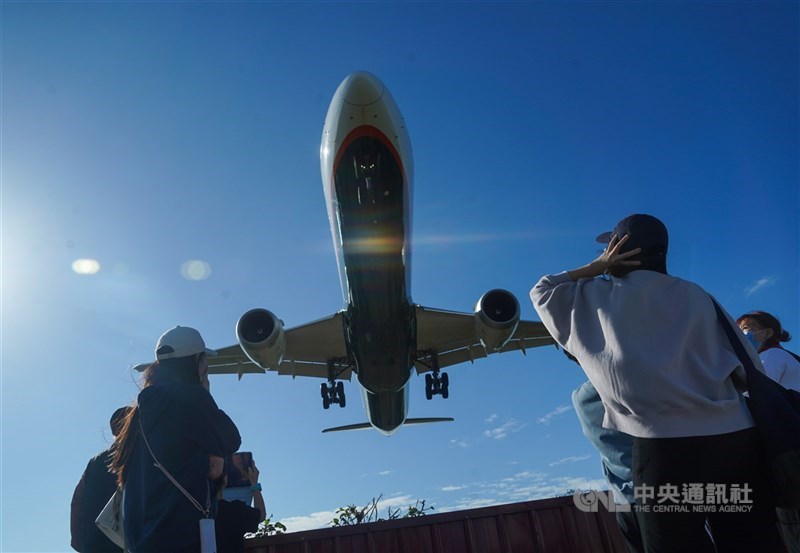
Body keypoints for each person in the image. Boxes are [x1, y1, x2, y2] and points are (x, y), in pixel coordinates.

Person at [530, 213, 782, 553]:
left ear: (618, 249)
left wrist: (596, 266)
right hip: (735, 441)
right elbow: (749, 369)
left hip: (663, 448)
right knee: (753, 543)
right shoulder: (696, 294)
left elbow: (542, 290)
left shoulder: (595, 295)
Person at [111, 326, 241, 553]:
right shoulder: (190, 398)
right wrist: (205, 391)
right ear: (198, 362)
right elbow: (231, 439)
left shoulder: (139, 412)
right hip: (179, 538)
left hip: (140, 542)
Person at [737, 311, 800, 553]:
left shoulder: (770, 358)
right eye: (741, 328)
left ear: (769, 332)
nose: (745, 333)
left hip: (789, 454)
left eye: (750, 327)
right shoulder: (789, 356)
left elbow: (752, 397)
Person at [70, 406, 132, 553]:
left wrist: (80, 543)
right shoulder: (137, 451)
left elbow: (77, 503)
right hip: (125, 542)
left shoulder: (94, 463)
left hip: (94, 543)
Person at [214, 455, 266, 553]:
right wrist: (254, 485)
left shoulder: (190, 511)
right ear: (225, 480)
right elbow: (261, 515)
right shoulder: (234, 510)